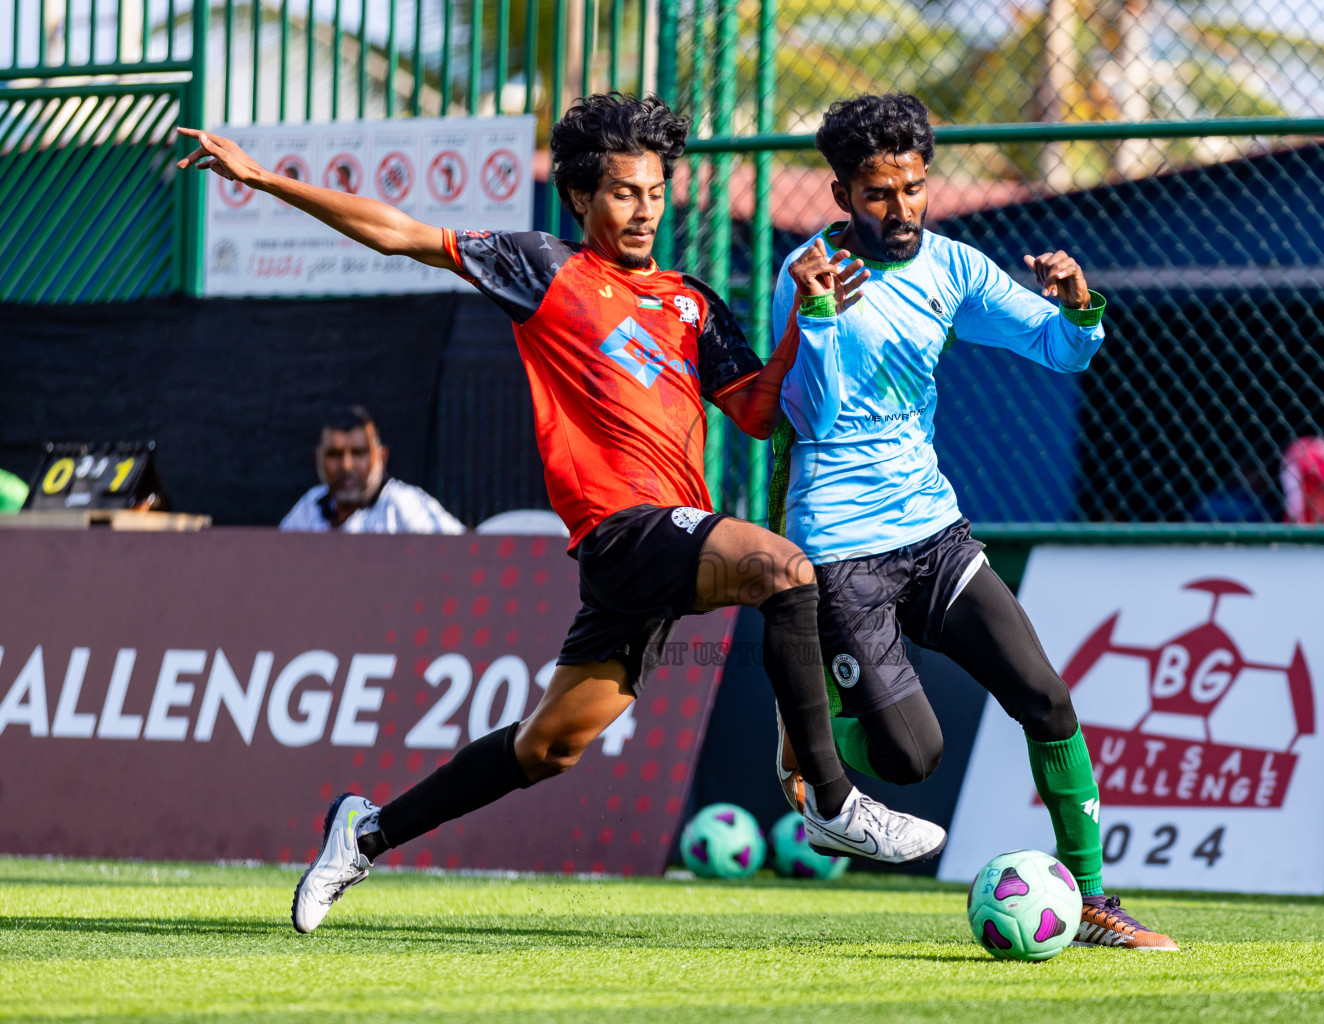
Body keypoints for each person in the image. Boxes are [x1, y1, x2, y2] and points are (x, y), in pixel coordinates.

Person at [175, 92, 946, 935]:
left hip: (667, 543)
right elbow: (399, 230)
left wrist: (808, 312)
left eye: (654, 191)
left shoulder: (692, 303)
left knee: (548, 747)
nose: (644, 208)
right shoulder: (544, 267)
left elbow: (759, 414)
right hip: (622, 531)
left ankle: (362, 834)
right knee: (786, 570)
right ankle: (829, 799)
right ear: (581, 198)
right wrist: (262, 179)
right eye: (623, 192)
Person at [768, 93, 1176, 949]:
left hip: (935, 534)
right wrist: (819, 319)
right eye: (879, 193)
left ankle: (1095, 898)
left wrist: (1076, 303)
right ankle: (813, 733)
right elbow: (810, 413)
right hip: (842, 548)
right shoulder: (804, 275)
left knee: (1048, 698)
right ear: (842, 196)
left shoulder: (952, 266)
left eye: (915, 187)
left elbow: (1062, 351)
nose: (903, 208)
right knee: (913, 759)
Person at [279, 405, 465, 534]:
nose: (347, 466)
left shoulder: (403, 504)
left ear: (381, 457)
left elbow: (458, 554)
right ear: (318, 460)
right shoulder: (311, 505)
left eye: (359, 453)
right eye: (335, 454)